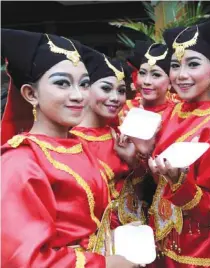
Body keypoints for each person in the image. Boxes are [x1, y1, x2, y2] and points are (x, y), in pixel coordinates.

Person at [1, 29, 136, 267]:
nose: (78, 95)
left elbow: (83, 226)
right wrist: (106, 264)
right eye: (62, 83)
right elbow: (25, 260)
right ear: (31, 94)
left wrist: (114, 237)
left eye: (84, 84)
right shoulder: (21, 163)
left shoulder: (77, 145)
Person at [145, 14, 210, 267]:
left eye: (193, 64)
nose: (181, 75)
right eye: (175, 65)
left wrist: (179, 182)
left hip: (197, 252)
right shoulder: (170, 113)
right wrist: (144, 154)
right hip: (160, 242)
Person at [70, 45, 152, 233]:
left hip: (134, 233)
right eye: (106, 88)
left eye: (121, 91)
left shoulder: (120, 134)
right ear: (85, 88)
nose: (115, 98)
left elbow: (140, 193)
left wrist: (133, 160)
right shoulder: (72, 141)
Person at [119, 41, 178, 122]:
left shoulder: (177, 114)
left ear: (170, 82)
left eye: (156, 75)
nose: (147, 81)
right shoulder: (120, 109)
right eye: (142, 73)